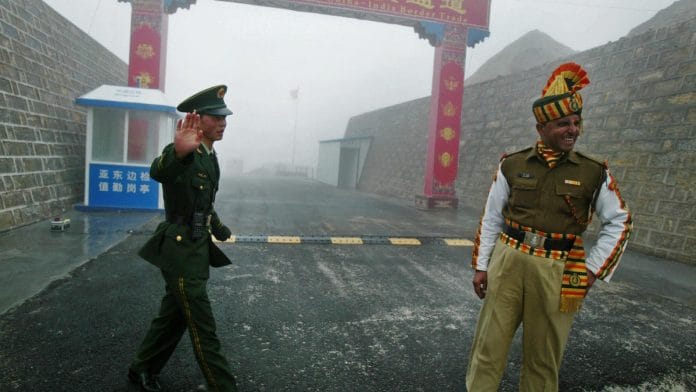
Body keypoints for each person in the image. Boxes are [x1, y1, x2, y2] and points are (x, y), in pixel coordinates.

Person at [465, 62, 633, 391]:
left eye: (576, 122)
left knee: (543, 360)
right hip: (508, 261)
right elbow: (492, 217)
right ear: (541, 128)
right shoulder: (512, 164)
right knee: (488, 348)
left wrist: (592, 269)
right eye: (562, 124)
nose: (573, 130)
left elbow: (620, 220)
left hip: (559, 269)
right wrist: (482, 265)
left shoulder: (593, 172)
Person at [128, 85, 238, 392]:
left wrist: (218, 227)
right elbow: (159, 171)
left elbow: (203, 202)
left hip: (197, 248)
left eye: (225, 117)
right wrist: (178, 152)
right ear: (197, 119)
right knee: (204, 327)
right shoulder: (184, 152)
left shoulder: (210, 156)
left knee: (174, 317)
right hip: (179, 250)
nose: (223, 122)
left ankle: (141, 369)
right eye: (215, 117)